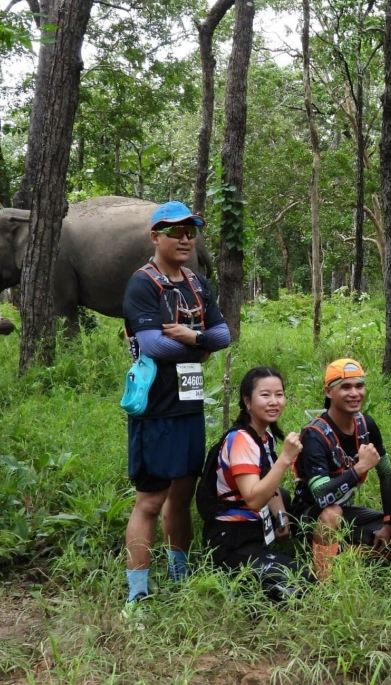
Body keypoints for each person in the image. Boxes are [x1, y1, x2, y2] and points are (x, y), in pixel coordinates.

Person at [121, 201, 231, 611]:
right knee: (150, 500)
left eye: (190, 231)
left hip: (190, 402)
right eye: (175, 231)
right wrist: (196, 341)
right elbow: (151, 345)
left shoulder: (198, 283)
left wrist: (190, 337)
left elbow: (223, 336)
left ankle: (179, 574)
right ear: (155, 236)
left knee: (181, 494)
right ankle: (138, 593)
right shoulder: (142, 285)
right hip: (156, 405)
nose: (185, 238)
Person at [200, 367, 314, 601]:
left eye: (279, 394)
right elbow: (253, 499)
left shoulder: (265, 436)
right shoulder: (241, 440)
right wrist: (285, 459)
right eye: (265, 395)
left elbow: (270, 487)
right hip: (230, 538)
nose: (274, 402)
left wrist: (281, 517)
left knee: (305, 577)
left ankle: (253, 572)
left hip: (252, 533)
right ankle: (229, 576)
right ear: (247, 401)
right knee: (301, 585)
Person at [291, 358, 391, 578]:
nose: (355, 393)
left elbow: (386, 474)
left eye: (359, 386)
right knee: (333, 513)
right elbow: (322, 495)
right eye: (346, 387)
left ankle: (349, 554)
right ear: (329, 392)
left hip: (346, 511)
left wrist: (388, 524)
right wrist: (358, 470)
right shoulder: (315, 435)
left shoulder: (366, 425)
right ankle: (324, 578)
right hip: (310, 513)